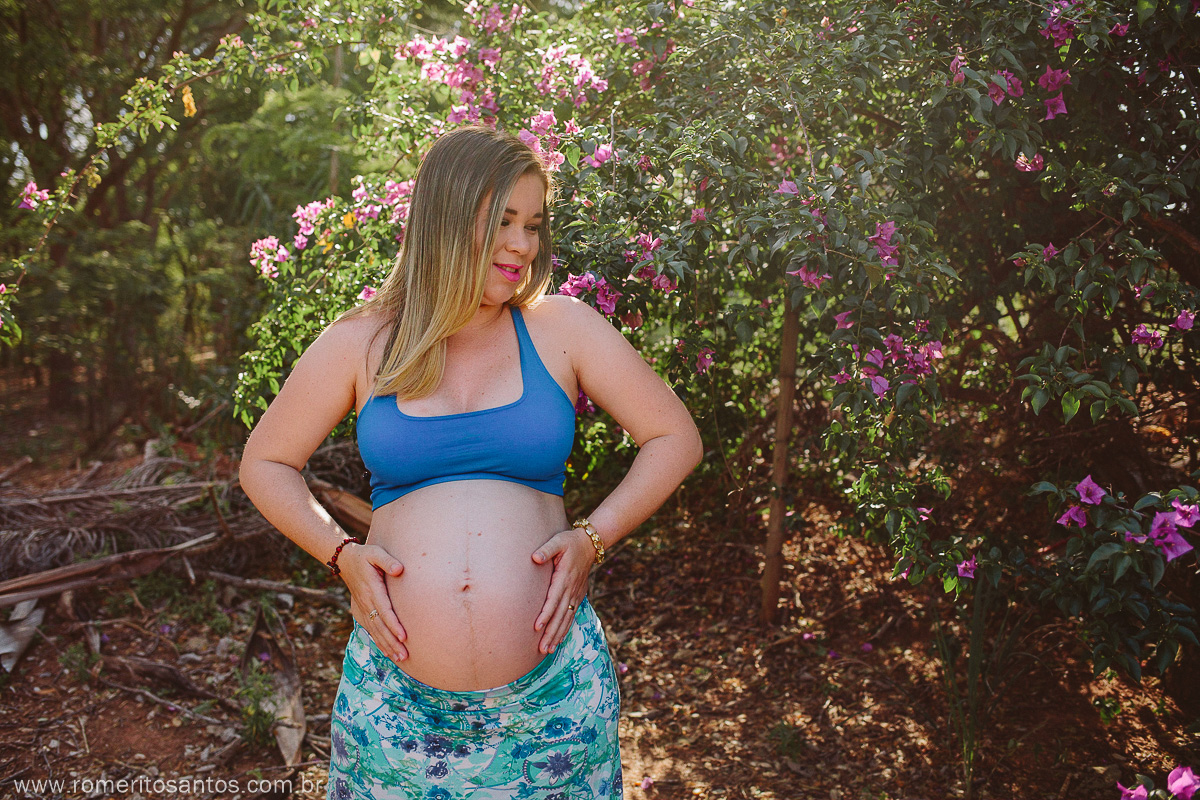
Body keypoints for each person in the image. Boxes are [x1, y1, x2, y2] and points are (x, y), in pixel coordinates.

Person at [239, 125, 702, 799]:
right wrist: (340, 554)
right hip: (397, 711)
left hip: (551, 708)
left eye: (533, 224)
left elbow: (674, 437)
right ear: (447, 219)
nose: (522, 244)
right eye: (503, 221)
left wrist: (592, 539)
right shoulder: (363, 341)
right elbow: (266, 461)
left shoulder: (561, 328)